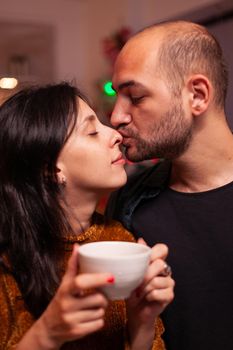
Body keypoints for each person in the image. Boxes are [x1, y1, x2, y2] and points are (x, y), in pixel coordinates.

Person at [0, 82, 174, 350]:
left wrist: (143, 321)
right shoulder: (7, 263)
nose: (115, 134)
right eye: (92, 131)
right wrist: (48, 333)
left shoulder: (120, 241)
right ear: (50, 169)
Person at [107, 20, 233, 350]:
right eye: (116, 95)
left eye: (134, 96)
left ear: (197, 95)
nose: (116, 117)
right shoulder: (129, 200)